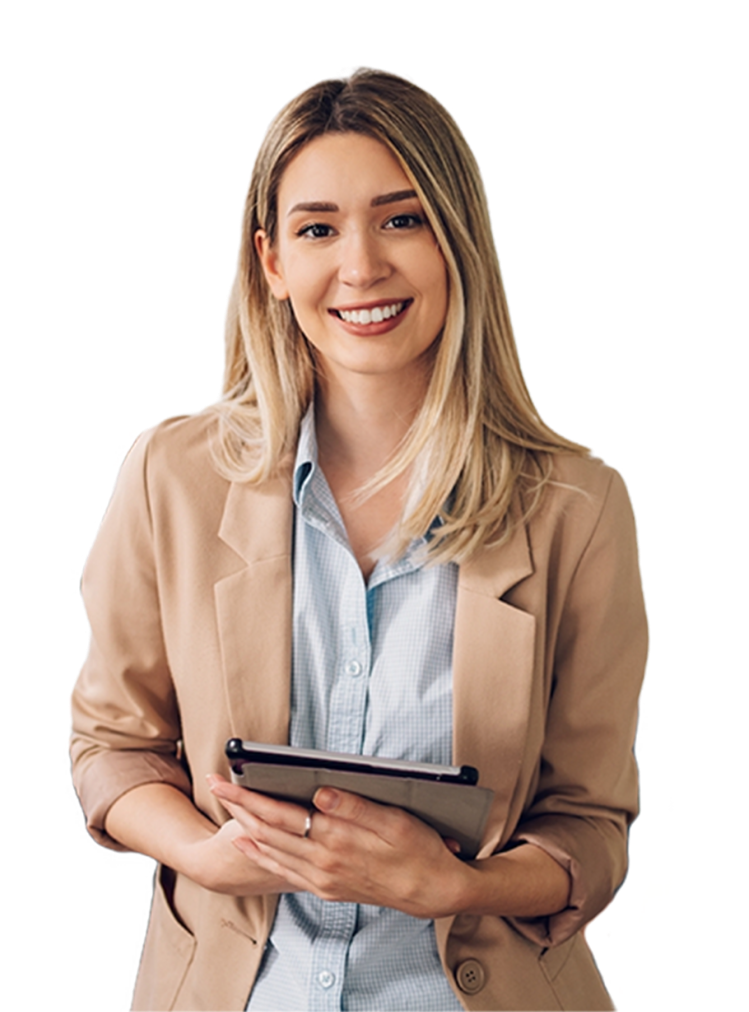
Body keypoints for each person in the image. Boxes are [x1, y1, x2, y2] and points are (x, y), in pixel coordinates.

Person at [68, 64, 650, 1011]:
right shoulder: (174, 474)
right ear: (270, 261)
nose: (361, 267)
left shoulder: (576, 508)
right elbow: (110, 747)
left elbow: (588, 827)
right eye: (317, 229)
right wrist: (206, 855)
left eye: (401, 218)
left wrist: (457, 887)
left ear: (457, 237)